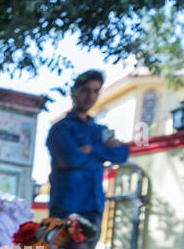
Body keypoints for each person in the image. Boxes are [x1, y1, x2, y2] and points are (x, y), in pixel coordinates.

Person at [47, 70, 129, 233]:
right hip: (65, 208)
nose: (90, 96)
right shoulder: (60, 129)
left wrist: (91, 149)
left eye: (96, 91)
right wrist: (101, 156)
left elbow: (122, 154)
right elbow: (71, 158)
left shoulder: (100, 130)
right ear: (74, 92)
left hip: (94, 209)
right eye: (85, 90)